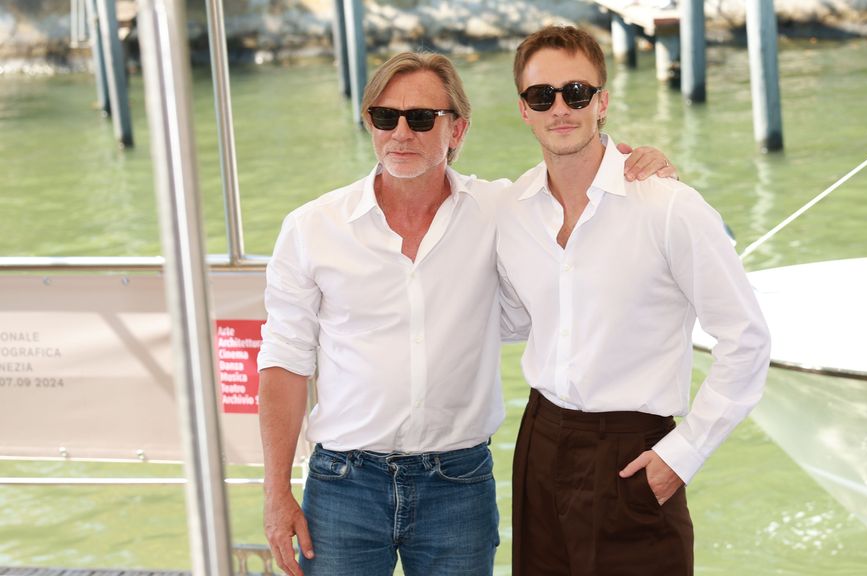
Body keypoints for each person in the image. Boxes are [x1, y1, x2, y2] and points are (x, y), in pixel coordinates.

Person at [257, 51, 674, 576]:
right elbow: (284, 360)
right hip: (343, 484)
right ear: (369, 124)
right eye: (385, 117)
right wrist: (276, 493)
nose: (401, 133)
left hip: (457, 482)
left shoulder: (502, 208)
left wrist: (642, 166)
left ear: (458, 129)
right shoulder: (311, 227)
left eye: (422, 118)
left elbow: (581, 191)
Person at [496, 26, 771, 576]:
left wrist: (682, 455)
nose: (560, 108)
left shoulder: (669, 207)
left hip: (634, 454)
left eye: (576, 92)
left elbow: (747, 339)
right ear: (524, 109)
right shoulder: (511, 208)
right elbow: (511, 317)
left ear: (602, 101)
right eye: (541, 96)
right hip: (540, 443)